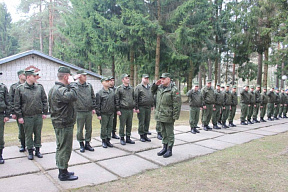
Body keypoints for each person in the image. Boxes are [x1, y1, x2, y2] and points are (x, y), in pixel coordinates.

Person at [48, 66, 78, 181]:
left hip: (62, 122)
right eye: (69, 76)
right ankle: (62, 173)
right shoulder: (60, 90)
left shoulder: (56, 88)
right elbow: (73, 96)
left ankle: (63, 169)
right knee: (64, 148)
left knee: (62, 147)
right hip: (63, 123)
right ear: (66, 77)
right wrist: (73, 83)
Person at [14, 70, 48, 160]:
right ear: (28, 77)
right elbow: (17, 104)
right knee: (28, 135)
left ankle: (37, 150)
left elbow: (44, 100)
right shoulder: (20, 88)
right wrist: (19, 116)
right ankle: (30, 151)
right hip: (27, 116)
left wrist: (45, 112)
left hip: (38, 115)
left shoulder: (39, 87)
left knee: (38, 133)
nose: (36, 77)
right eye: (34, 76)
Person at [152, 73, 181, 158]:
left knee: (169, 133)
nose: (162, 80)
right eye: (161, 78)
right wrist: (155, 84)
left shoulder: (174, 89)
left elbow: (177, 104)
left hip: (168, 115)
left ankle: (169, 149)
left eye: (164, 78)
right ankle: (164, 147)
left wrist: (175, 116)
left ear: (169, 79)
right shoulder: (159, 88)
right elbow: (151, 91)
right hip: (160, 114)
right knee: (163, 132)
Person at [75, 70, 96, 153]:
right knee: (80, 129)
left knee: (89, 128)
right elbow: (68, 87)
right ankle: (81, 144)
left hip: (88, 111)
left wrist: (93, 107)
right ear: (79, 76)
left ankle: (87, 143)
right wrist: (74, 78)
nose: (85, 77)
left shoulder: (89, 86)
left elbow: (93, 97)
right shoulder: (75, 85)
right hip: (79, 111)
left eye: (86, 76)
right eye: (84, 76)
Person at [115, 74, 136, 145]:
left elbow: (133, 98)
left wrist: (133, 107)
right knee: (122, 124)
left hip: (130, 109)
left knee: (129, 124)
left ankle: (128, 137)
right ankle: (122, 138)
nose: (128, 79)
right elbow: (117, 100)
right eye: (126, 78)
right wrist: (117, 110)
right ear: (123, 80)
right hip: (123, 109)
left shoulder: (131, 88)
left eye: (128, 78)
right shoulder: (119, 88)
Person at [9, 69, 26, 152]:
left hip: (28, 111)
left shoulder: (30, 85)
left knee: (30, 129)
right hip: (19, 112)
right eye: (24, 74)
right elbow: (11, 100)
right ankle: (23, 144)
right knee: (21, 129)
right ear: (20, 76)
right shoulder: (14, 87)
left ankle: (30, 144)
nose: (26, 76)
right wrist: (13, 112)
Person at [96, 77, 115, 148]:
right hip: (104, 113)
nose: (108, 82)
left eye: (108, 81)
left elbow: (114, 102)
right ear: (102, 83)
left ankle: (108, 140)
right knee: (104, 127)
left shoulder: (112, 91)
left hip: (111, 112)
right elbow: (97, 104)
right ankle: (103, 140)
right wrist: (98, 114)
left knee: (110, 127)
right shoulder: (99, 93)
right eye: (106, 81)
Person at [134, 74, 154, 142]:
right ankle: (141, 135)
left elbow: (151, 96)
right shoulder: (138, 87)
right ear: (142, 79)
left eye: (147, 78)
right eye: (145, 78)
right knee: (141, 121)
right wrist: (136, 108)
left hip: (148, 107)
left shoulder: (149, 87)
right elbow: (136, 98)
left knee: (147, 121)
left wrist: (152, 105)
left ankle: (145, 134)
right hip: (141, 107)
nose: (146, 79)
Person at [0, 72, 11, 164]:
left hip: (0, 115)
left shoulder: (3, 87)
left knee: (0, 136)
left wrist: (7, 115)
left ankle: (0, 155)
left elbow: (8, 102)